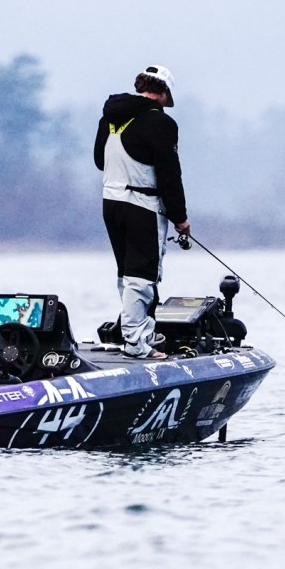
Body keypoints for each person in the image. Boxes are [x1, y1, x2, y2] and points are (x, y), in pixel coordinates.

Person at [93, 64, 191, 359]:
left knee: (126, 272)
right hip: (142, 206)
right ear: (163, 93)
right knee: (142, 275)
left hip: (111, 203)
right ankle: (136, 343)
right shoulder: (161, 123)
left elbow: (100, 160)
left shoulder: (110, 117)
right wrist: (180, 218)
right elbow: (169, 174)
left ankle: (137, 331)